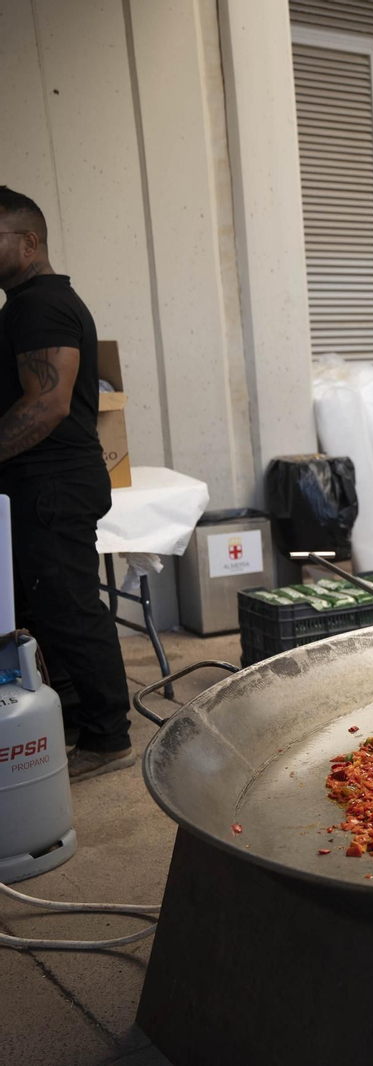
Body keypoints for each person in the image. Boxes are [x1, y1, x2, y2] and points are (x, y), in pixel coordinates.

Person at [0, 187, 133, 779]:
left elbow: (48, 403)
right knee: (46, 611)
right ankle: (77, 720)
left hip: (52, 482)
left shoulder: (40, 307)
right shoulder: (29, 306)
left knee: (71, 610)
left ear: (29, 242)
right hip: (41, 482)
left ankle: (108, 738)